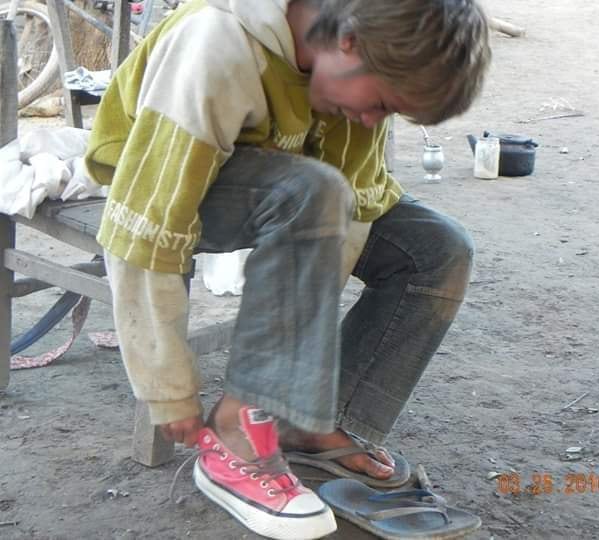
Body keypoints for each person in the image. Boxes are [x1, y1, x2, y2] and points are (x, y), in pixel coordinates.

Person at [84, 0, 491, 537]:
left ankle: (308, 428)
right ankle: (235, 436)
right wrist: (168, 387)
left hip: (295, 187)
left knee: (438, 250)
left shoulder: (355, 67)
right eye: (382, 104)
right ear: (349, 43)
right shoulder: (217, 42)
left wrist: (301, 393)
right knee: (313, 192)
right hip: (164, 178)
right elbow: (144, 226)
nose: (374, 120)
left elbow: (352, 215)